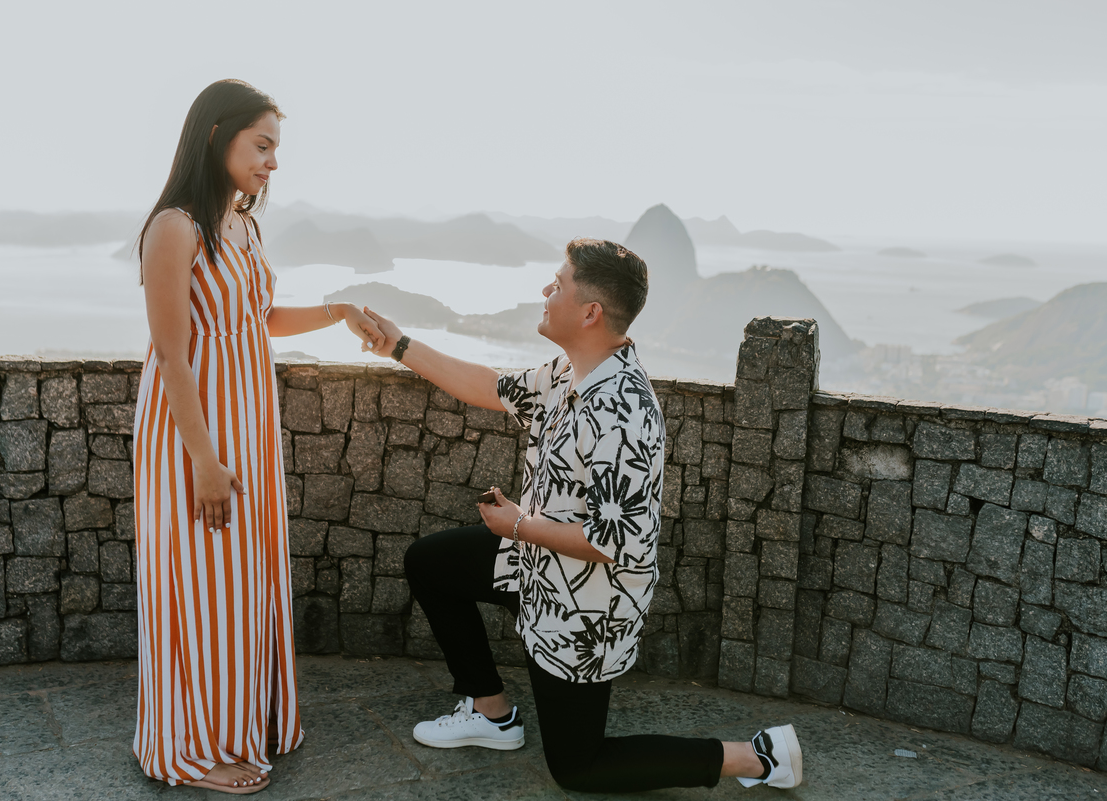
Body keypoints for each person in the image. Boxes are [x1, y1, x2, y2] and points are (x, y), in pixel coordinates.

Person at [363, 238, 803, 792]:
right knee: (431, 563)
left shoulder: (623, 409)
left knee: (578, 767)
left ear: (591, 312)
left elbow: (614, 543)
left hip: (586, 611)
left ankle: (759, 757)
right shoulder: (567, 373)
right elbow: (489, 387)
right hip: (538, 567)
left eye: (558, 284)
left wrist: (518, 525)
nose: (547, 291)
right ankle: (493, 712)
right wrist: (399, 345)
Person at [132, 79, 385, 794]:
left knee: (241, 579)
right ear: (218, 137)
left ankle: (249, 719)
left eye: (277, 148)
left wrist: (340, 309)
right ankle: (195, 748)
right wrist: (204, 460)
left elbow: (258, 317)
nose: (274, 162)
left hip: (247, 421)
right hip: (193, 429)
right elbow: (174, 353)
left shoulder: (241, 221)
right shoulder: (175, 227)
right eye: (263, 145)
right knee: (200, 581)